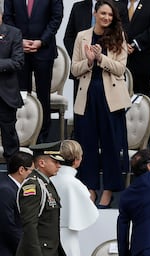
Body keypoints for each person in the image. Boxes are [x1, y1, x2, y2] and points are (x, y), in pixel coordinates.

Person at [71, 0, 132, 208]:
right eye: (103, 13)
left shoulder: (118, 36)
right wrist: (88, 61)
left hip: (110, 98)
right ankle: (90, 188)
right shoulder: (82, 36)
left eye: (110, 15)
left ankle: (109, 190)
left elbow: (120, 68)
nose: (106, 18)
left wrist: (100, 58)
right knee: (86, 144)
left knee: (111, 145)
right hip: (87, 95)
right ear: (95, 13)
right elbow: (74, 69)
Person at [3, 0, 63, 143]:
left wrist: (41, 41)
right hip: (18, 51)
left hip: (44, 50)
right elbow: (8, 17)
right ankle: (20, 135)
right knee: (21, 94)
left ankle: (42, 138)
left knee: (43, 96)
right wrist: (18, 40)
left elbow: (56, 17)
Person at [16, 141, 69, 256]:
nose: (59, 165)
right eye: (55, 162)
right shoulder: (33, 186)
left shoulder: (46, 183)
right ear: (41, 163)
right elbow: (29, 224)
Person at [51, 140, 99, 256]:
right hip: (68, 238)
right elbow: (91, 213)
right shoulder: (75, 184)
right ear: (77, 160)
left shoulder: (47, 180)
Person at [117, 0, 150, 98]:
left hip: (143, 64)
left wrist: (135, 44)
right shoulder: (116, 4)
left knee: (140, 102)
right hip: (117, 61)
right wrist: (121, 44)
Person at [0, 151, 34, 256]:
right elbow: (8, 227)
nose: (34, 175)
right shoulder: (6, 190)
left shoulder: (14, 188)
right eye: (31, 171)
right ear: (21, 170)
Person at [0, 7, 24, 162]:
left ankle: (13, 179)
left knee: (10, 140)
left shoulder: (14, 33)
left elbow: (17, 61)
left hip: (5, 96)